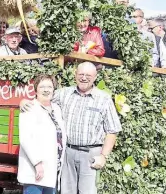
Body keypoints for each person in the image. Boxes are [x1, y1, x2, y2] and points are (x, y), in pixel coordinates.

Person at [21, 62, 122, 194]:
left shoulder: (104, 99)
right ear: (75, 75)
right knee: (66, 191)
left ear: (95, 77)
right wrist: (23, 102)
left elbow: (112, 130)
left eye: (88, 75)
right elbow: (42, 97)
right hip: (68, 153)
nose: (84, 78)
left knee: (88, 191)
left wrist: (103, 156)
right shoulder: (64, 94)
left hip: (90, 155)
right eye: (81, 74)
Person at [18, 75, 66, 194]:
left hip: (53, 168)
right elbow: (25, 138)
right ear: (36, 90)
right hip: (36, 169)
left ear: (54, 89)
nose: (46, 90)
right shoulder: (29, 107)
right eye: (42, 86)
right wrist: (37, 163)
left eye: (49, 87)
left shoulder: (56, 109)